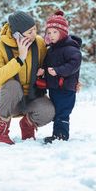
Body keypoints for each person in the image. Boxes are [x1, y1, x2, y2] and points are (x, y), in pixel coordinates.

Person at [0, 11, 55, 145]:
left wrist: (70, 79)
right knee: (13, 86)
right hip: (8, 99)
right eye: (29, 32)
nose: (34, 35)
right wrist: (20, 58)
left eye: (35, 29)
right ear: (16, 34)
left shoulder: (39, 43)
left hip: (31, 97)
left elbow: (51, 65)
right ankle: (0, 134)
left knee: (49, 111)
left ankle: (27, 126)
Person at [37, 10, 82, 144]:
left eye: (55, 32)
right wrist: (43, 71)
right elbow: (49, 65)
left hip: (66, 88)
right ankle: (56, 134)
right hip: (55, 88)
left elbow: (74, 64)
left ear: (62, 33)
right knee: (57, 112)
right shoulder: (52, 49)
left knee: (63, 112)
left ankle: (61, 135)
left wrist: (58, 71)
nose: (51, 35)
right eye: (49, 33)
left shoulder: (71, 48)